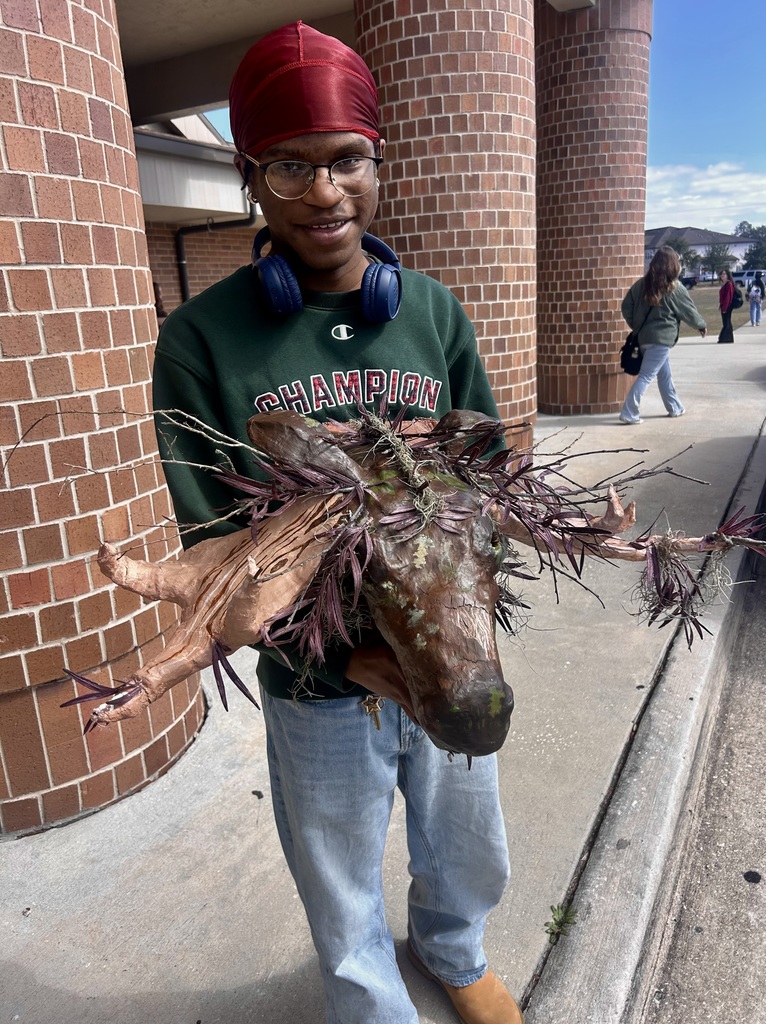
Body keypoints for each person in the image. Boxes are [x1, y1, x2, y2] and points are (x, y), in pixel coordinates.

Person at [152, 21, 523, 1024]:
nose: (323, 192)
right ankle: (371, 1003)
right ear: (251, 176)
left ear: (376, 162)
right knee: (338, 866)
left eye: (345, 161)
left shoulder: (433, 314)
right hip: (317, 682)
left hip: (449, 652)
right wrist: (341, 658)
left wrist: (462, 449)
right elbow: (212, 541)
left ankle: (455, 947)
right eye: (290, 165)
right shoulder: (201, 339)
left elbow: (491, 473)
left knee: (466, 832)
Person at [619, 246, 707, 425]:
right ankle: (629, 412)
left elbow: (626, 307)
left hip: (644, 339)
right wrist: (701, 325)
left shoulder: (640, 285)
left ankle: (675, 407)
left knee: (664, 374)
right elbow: (688, 311)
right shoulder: (674, 287)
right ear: (673, 265)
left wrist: (636, 326)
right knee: (646, 376)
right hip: (662, 340)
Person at [718, 268, 737, 343]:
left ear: (728, 275)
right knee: (726, 322)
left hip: (727, 306)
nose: (722, 275)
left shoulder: (729, 284)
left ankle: (725, 338)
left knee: (726, 322)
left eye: (724, 274)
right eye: (721, 274)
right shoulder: (724, 284)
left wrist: (725, 308)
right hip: (723, 306)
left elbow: (728, 297)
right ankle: (728, 337)